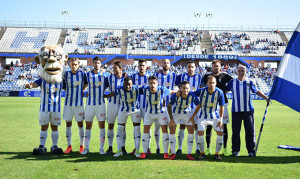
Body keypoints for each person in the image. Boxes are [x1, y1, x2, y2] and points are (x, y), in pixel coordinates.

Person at [226, 65, 270, 157]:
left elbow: (256, 91)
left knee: (250, 131)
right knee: (236, 132)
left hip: (248, 111)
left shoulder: (250, 82)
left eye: (243, 71)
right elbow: (224, 91)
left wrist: (265, 97)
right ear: (236, 72)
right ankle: (235, 150)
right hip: (236, 111)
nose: (241, 72)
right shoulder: (232, 82)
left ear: (245, 72)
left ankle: (250, 150)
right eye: (239, 70)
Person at [200, 60, 233, 156]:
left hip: (223, 104)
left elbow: (232, 83)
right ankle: (207, 148)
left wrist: (225, 91)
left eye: (217, 66)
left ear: (220, 67)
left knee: (224, 126)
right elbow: (202, 87)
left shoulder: (225, 76)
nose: (216, 68)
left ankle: (225, 148)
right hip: (210, 105)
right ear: (212, 67)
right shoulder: (207, 76)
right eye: (214, 66)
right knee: (209, 126)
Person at [139, 76, 175, 159]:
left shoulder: (162, 89)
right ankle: (144, 152)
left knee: (164, 130)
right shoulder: (145, 89)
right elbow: (135, 89)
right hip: (149, 113)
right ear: (148, 84)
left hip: (161, 113)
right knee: (145, 130)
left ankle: (165, 152)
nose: (152, 85)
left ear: (157, 84)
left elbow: (171, 92)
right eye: (150, 83)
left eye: (154, 83)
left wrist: (180, 92)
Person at [106, 77, 142, 158]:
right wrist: (106, 96)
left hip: (135, 110)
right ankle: (119, 150)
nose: (128, 86)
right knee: (119, 128)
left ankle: (137, 150)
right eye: (126, 85)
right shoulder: (119, 89)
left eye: (129, 84)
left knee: (137, 129)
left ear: (132, 84)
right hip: (123, 110)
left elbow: (148, 91)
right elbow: (114, 93)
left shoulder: (137, 89)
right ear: (123, 84)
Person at [193, 75, 225, 160]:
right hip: (202, 116)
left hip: (215, 116)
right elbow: (190, 93)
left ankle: (217, 153)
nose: (211, 84)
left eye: (213, 83)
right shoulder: (202, 91)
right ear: (207, 83)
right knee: (200, 133)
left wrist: (221, 120)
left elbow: (222, 106)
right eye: (210, 83)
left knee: (220, 133)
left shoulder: (220, 92)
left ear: (216, 83)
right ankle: (202, 153)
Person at [81, 57, 108, 155]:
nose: (97, 65)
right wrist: (84, 92)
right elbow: (84, 86)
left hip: (100, 104)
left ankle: (101, 149)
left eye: (98, 63)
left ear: (101, 64)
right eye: (95, 63)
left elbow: (109, 85)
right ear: (93, 64)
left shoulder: (105, 75)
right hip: (89, 104)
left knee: (102, 126)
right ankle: (86, 148)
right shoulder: (88, 75)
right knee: (88, 126)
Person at [168, 81, 201, 160]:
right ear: (180, 88)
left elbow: (199, 105)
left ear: (189, 89)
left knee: (191, 131)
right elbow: (169, 106)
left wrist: (192, 117)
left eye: (187, 88)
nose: (185, 90)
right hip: (176, 113)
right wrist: (171, 119)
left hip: (187, 114)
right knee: (172, 130)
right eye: (183, 88)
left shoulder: (192, 96)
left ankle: (189, 153)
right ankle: (173, 153)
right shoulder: (175, 96)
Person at [175, 60, 202, 155]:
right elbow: (175, 84)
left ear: (195, 68)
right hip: (184, 105)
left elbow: (202, 90)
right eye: (189, 67)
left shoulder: (199, 77)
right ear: (186, 68)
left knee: (196, 126)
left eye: (192, 67)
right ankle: (179, 148)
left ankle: (197, 148)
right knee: (182, 125)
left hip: (195, 106)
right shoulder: (181, 76)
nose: (190, 68)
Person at [130, 59, 156, 155]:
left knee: (147, 128)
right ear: (138, 66)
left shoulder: (150, 77)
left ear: (146, 66)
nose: (142, 67)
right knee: (136, 127)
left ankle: (147, 148)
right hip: (136, 107)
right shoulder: (133, 76)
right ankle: (136, 148)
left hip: (147, 107)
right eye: (140, 65)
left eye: (143, 65)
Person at [63, 58, 88, 154]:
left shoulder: (82, 74)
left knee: (80, 124)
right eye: (72, 64)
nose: (74, 66)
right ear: (70, 65)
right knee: (68, 124)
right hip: (68, 104)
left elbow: (85, 84)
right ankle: (69, 146)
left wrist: (81, 90)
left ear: (78, 65)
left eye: (75, 64)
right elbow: (64, 86)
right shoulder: (66, 74)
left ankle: (81, 146)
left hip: (79, 105)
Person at [154, 58, 177, 154]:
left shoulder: (174, 75)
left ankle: (171, 148)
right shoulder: (156, 75)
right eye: (164, 63)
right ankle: (158, 147)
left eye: (168, 63)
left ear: (170, 64)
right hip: (159, 106)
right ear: (161, 64)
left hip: (171, 105)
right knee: (157, 127)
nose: (166, 64)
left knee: (171, 126)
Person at [106, 60, 125, 154]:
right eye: (113, 68)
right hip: (111, 104)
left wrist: (108, 95)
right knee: (110, 125)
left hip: (122, 105)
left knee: (122, 126)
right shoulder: (109, 78)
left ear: (120, 69)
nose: (113, 70)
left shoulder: (126, 79)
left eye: (115, 68)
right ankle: (110, 147)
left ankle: (123, 147)